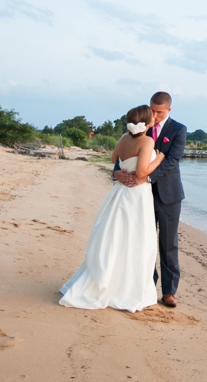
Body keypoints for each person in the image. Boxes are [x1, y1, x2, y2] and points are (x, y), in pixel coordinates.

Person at [59, 105, 165, 312]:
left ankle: (110, 279)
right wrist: (159, 158)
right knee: (135, 239)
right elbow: (143, 170)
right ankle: (124, 288)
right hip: (136, 194)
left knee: (116, 236)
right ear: (148, 122)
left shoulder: (123, 139)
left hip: (119, 192)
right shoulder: (147, 141)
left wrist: (123, 171)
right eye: (152, 116)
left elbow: (113, 159)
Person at [114, 91, 186, 308]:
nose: (154, 115)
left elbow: (172, 160)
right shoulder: (138, 125)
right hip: (138, 196)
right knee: (142, 241)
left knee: (168, 243)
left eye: (159, 112)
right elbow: (122, 155)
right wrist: (117, 172)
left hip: (168, 195)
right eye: (152, 110)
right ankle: (146, 286)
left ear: (169, 110)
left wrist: (144, 177)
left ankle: (169, 292)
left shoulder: (178, 130)